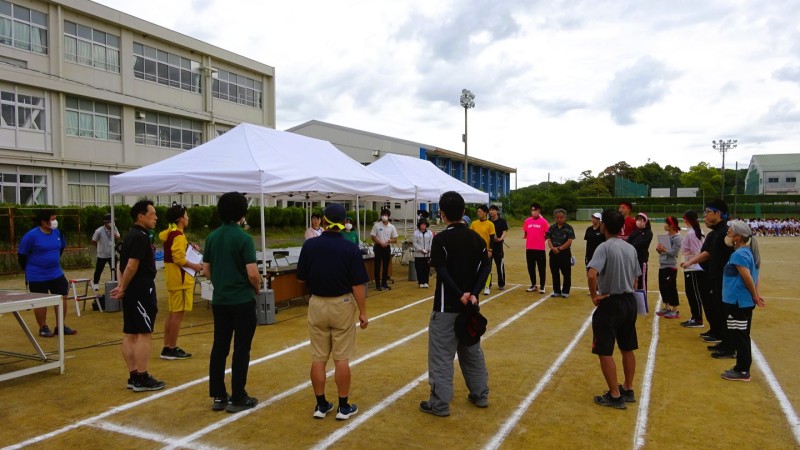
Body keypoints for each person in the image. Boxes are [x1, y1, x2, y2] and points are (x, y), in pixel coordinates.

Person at [419, 191, 491, 417]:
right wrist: (473, 293)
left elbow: (441, 271)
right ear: (463, 212)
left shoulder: (440, 239)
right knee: (471, 352)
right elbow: (486, 268)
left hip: (445, 307)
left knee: (441, 357)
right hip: (470, 307)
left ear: (442, 213)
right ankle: (480, 395)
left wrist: (460, 293)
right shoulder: (476, 239)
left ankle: (440, 404)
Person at [297, 203, 369, 420]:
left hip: (317, 303)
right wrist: (363, 312)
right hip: (342, 304)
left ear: (325, 221)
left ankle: (320, 405)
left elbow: (301, 277)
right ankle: (343, 406)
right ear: (344, 221)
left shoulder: (310, 245)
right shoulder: (350, 248)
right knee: (341, 358)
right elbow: (358, 285)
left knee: (318, 357)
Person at [203, 192, 260, 413]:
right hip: (242, 299)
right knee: (241, 348)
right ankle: (238, 395)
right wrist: (256, 288)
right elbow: (253, 273)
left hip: (220, 300)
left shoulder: (212, 237)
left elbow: (206, 270)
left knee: (220, 346)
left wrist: (221, 279)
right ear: (242, 212)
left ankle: (219, 395)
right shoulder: (244, 238)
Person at [587, 209, 641, 409]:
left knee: (604, 350)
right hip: (629, 301)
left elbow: (592, 274)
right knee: (627, 346)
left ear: (604, 226)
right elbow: (636, 278)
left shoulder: (604, 247)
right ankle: (627, 387)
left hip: (611, 302)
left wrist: (594, 295)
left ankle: (615, 395)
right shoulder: (630, 248)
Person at [110, 200, 164, 392]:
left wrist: (121, 285)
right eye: (152, 213)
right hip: (141, 289)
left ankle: (134, 375)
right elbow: (131, 265)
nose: (156, 217)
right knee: (144, 333)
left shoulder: (130, 236)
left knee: (131, 333)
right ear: (140, 216)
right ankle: (141, 376)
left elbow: (120, 265)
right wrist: (122, 287)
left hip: (132, 289)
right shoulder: (140, 236)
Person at [681, 199, 734, 356]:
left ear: (718, 214)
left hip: (724, 280)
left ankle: (729, 346)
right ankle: (723, 340)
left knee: (725, 312)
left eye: (707, 212)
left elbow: (708, 253)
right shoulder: (714, 234)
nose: (705, 216)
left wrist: (690, 262)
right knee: (717, 309)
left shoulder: (725, 233)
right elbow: (708, 253)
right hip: (715, 278)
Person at [18, 209, 77, 337]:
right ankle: (43, 327)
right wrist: (28, 270)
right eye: (52, 219)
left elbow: (61, 248)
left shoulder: (58, 233)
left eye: (55, 218)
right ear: (44, 222)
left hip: (56, 272)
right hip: (37, 274)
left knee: (62, 297)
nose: (55, 222)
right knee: (40, 301)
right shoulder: (31, 236)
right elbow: (22, 255)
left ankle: (60, 326)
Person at [720, 221, 765, 381]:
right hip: (740, 301)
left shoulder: (739, 254)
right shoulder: (748, 252)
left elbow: (747, 277)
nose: (728, 234)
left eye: (730, 232)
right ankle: (741, 366)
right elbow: (756, 276)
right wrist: (756, 294)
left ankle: (743, 370)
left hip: (737, 301)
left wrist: (754, 295)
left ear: (737, 237)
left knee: (740, 335)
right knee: (739, 334)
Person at [158, 204, 203, 360]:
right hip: (180, 280)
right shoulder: (178, 235)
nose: (188, 217)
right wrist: (195, 266)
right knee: (177, 315)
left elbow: (177, 251)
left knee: (172, 314)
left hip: (173, 280)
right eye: (186, 215)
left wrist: (188, 246)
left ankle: (167, 346)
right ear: (180, 219)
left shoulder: (171, 233)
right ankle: (171, 347)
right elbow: (179, 258)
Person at [680, 210, 708, 328]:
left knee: (694, 294)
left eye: (684, 219)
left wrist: (689, 262)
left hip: (694, 268)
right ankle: (694, 317)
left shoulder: (692, 234)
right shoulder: (695, 232)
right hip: (691, 267)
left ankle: (698, 319)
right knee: (691, 293)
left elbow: (698, 252)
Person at [655, 216, 683, 319]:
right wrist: (659, 249)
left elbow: (674, 253)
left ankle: (675, 310)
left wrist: (664, 249)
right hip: (662, 265)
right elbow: (660, 251)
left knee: (671, 288)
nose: (664, 225)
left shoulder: (678, 238)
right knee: (663, 287)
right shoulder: (666, 236)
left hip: (670, 266)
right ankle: (666, 307)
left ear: (671, 225)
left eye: (666, 223)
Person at [546, 208, 575, 298]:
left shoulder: (569, 228)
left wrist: (559, 248)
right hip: (553, 253)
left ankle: (565, 291)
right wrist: (552, 248)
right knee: (554, 273)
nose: (559, 219)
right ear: (555, 218)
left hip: (564, 253)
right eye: (557, 217)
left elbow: (569, 241)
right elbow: (549, 239)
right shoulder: (551, 228)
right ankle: (556, 291)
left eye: (561, 217)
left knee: (566, 273)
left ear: (564, 217)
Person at [523, 202, 549, 293]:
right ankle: (533, 284)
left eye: (535, 210)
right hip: (529, 248)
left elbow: (547, 234)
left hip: (540, 249)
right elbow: (526, 232)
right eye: (532, 210)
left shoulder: (544, 221)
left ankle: (542, 286)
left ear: (539, 211)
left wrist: (541, 240)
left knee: (541, 268)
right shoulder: (527, 221)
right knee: (531, 267)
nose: (533, 212)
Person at [627, 213, 653, 302]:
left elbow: (640, 244)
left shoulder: (648, 233)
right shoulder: (635, 232)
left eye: (640, 220)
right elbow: (628, 242)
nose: (638, 222)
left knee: (642, 281)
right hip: (632, 260)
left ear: (645, 221)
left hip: (641, 260)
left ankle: (642, 301)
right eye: (637, 219)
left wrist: (631, 245)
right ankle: (632, 300)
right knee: (631, 280)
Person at [470, 205, 496, 295]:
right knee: (475, 268)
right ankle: (476, 285)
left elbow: (492, 238)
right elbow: (471, 236)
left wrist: (490, 250)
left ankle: (487, 286)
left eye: (480, 211)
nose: (478, 213)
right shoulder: (474, 223)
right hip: (475, 250)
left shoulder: (490, 224)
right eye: (478, 211)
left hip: (486, 250)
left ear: (485, 213)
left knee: (487, 269)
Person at [90, 213, 120, 293]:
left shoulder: (114, 228)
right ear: (106, 222)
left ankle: (115, 283)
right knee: (98, 270)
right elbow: (93, 241)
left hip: (112, 254)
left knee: (114, 269)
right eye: (111, 221)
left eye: (113, 221)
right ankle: (96, 284)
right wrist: (99, 247)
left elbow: (118, 236)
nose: (113, 223)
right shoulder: (99, 231)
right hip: (102, 255)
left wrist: (116, 236)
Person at [370, 208, 397, 291]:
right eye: (383, 215)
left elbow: (395, 239)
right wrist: (380, 242)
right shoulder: (377, 225)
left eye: (386, 215)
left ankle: (384, 284)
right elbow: (373, 237)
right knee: (377, 266)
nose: (384, 216)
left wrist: (389, 240)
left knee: (386, 266)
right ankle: (378, 285)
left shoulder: (391, 226)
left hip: (387, 247)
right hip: (378, 247)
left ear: (388, 216)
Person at [488, 205, 508, 291]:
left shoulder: (502, 221)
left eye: (493, 210)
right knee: (488, 266)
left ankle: (501, 283)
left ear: (497, 211)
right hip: (489, 246)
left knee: (500, 265)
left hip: (498, 246)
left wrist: (500, 239)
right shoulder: (488, 222)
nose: (491, 212)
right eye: (490, 210)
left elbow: (504, 231)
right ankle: (487, 283)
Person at [412, 219, 433, 288]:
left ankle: (426, 282)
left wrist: (428, 249)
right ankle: (420, 282)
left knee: (426, 269)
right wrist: (420, 249)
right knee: (419, 269)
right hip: (418, 255)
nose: (423, 225)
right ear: (419, 225)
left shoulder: (429, 233)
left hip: (427, 254)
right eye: (422, 224)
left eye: (424, 224)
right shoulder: (416, 233)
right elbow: (414, 242)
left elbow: (431, 242)